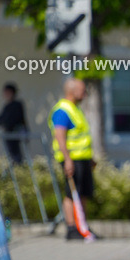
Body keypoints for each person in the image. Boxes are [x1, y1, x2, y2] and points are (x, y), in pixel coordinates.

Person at [49, 78, 94, 241]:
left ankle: (83, 225)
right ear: (72, 91)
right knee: (71, 193)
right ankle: (71, 227)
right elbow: (60, 136)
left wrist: (91, 158)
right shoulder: (63, 110)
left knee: (83, 193)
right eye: (82, 90)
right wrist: (67, 159)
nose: (85, 93)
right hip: (71, 159)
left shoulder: (76, 109)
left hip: (82, 158)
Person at [0, 82, 27, 164]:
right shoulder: (7, 106)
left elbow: (14, 119)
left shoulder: (17, 105)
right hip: (9, 135)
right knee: (11, 155)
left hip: (15, 135)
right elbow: (0, 118)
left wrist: (6, 123)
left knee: (16, 156)